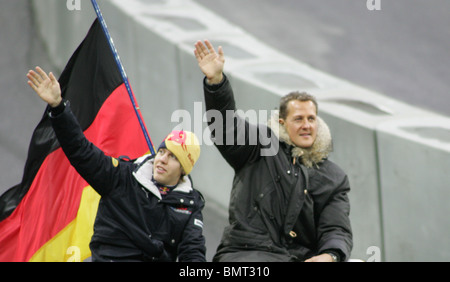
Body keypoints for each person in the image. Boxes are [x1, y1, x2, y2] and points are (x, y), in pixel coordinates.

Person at [194, 40, 352, 262]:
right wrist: (216, 82)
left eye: (311, 119)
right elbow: (227, 129)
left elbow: (336, 229)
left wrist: (331, 255)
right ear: (282, 123)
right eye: (298, 119)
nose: (306, 125)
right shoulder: (261, 146)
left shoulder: (334, 178)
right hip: (246, 253)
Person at [26, 67, 205, 262]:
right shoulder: (122, 176)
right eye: (162, 151)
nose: (162, 159)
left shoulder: (190, 205)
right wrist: (58, 108)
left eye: (173, 157)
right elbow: (81, 151)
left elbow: (193, 255)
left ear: (183, 169)